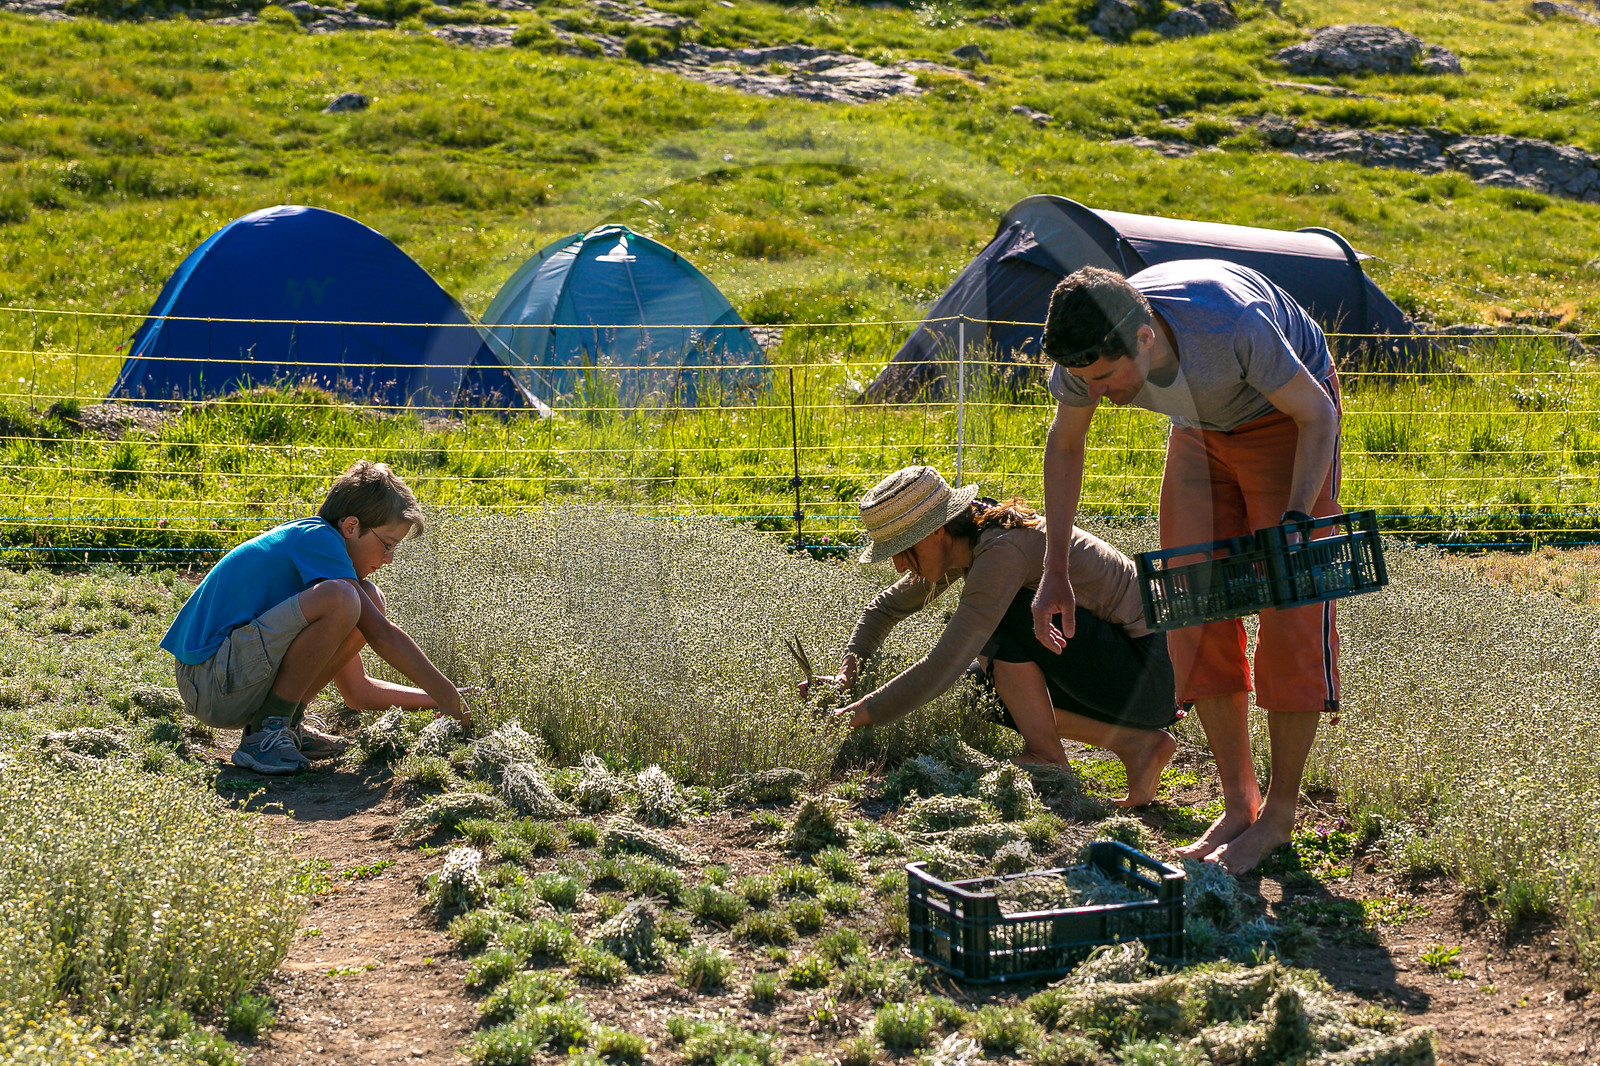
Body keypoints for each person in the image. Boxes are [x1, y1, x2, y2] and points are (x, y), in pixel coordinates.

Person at [1031, 260, 1343, 873]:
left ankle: (1279, 814)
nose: (1095, 392)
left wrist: (1294, 520)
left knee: (1291, 606)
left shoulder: (1232, 325)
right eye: (1083, 379)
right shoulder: (1082, 360)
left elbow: (1317, 415)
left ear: (1145, 338)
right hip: (1201, 427)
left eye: (1105, 376)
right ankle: (1239, 803)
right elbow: (1066, 444)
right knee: (1191, 605)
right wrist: (1055, 569)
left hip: (1286, 417)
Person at [817, 465, 1180, 807]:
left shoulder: (1002, 550)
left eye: (902, 549)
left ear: (935, 531)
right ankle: (1136, 745)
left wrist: (848, 716)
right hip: (1142, 675)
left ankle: (1047, 757)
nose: (898, 565)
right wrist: (846, 677)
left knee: (1000, 619)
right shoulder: (965, 541)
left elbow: (944, 663)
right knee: (977, 689)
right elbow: (884, 609)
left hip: (1155, 672)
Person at [160, 460, 470, 775]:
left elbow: (357, 691)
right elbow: (382, 635)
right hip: (208, 681)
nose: (389, 559)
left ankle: (286, 723)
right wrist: (445, 693)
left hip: (225, 683)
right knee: (346, 597)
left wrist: (442, 699)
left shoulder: (324, 577)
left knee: (369, 599)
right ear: (351, 527)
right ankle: (268, 732)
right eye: (387, 545)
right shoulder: (319, 539)